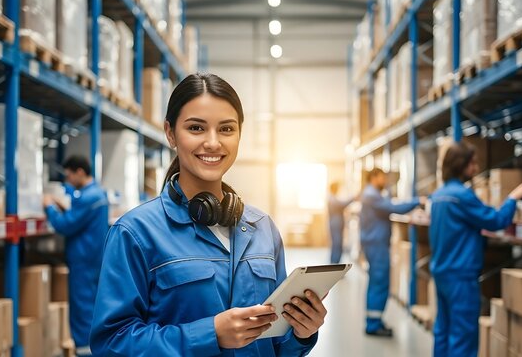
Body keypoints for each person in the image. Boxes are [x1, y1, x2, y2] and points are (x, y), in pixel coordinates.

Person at [90, 73, 326, 356]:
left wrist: (301, 333)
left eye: (226, 129)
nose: (213, 143)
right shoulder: (136, 233)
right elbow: (111, 344)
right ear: (170, 132)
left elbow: (276, 346)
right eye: (196, 128)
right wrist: (209, 335)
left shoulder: (263, 229)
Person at [429, 142, 522, 357]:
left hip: (441, 271)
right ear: (462, 165)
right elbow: (495, 220)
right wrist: (512, 199)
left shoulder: (438, 195)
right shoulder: (462, 195)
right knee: (463, 335)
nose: (476, 168)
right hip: (460, 275)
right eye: (472, 163)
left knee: (443, 330)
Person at [43, 155, 109, 356]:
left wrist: (48, 207)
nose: (67, 179)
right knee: (93, 307)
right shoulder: (97, 194)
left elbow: (65, 225)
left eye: (69, 174)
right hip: (94, 259)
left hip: (83, 261)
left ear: (80, 172)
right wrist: (63, 207)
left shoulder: (88, 197)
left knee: (82, 310)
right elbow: (80, 217)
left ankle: (84, 351)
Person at [360, 167, 425, 337]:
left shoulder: (372, 193)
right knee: (379, 282)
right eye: (382, 177)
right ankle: (373, 324)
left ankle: (375, 319)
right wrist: (418, 201)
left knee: (377, 282)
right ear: (374, 177)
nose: (385, 181)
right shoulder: (371, 195)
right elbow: (392, 207)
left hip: (376, 243)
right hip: (376, 245)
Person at [327, 181, 355, 264]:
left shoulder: (333, 197)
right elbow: (343, 204)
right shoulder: (332, 199)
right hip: (335, 224)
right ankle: (334, 264)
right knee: (337, 244)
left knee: (337, 243)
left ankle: (334, 263)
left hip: (336, 223)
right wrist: (353, 198)